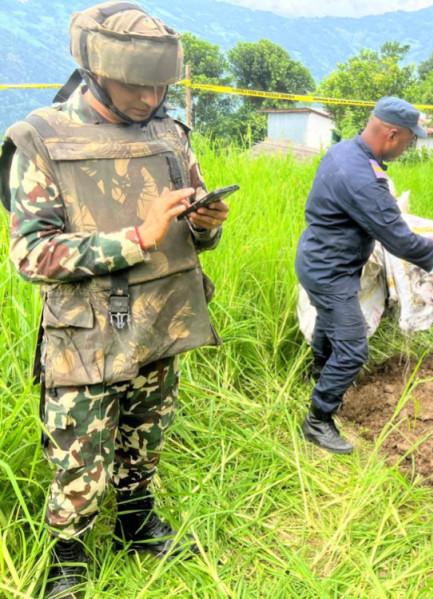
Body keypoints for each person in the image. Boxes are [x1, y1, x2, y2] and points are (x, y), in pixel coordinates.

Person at [0, 3, 229, 597]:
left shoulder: (170, 136)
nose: (150, 95)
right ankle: (68, 556)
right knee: (79, 454)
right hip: (86, 333)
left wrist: (206, 223)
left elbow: (196, 234)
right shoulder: (40, 139)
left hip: (161, 321)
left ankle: (135, 523)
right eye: (137, 82)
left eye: (161, 83)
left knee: (145, 435)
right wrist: (138, 237)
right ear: (96, 69)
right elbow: (31, 255)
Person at [295, 97, 433, 455]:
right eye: (410, 140)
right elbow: (397, 238)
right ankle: (318, 419)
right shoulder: (362, 176)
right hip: (330, 272)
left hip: (318, 260)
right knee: (352, 350)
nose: (409, 146)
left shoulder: (344, 152)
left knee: (327, 321)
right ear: (393, 134)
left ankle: (318, 372)